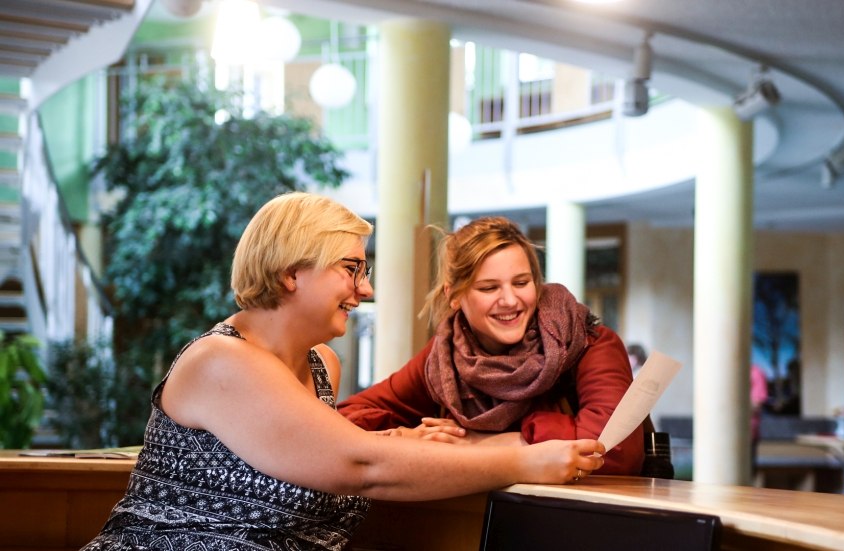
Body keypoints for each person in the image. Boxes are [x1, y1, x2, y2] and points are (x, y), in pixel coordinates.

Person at [82, 193, 603, 550]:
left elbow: (327, 453)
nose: (367, 289)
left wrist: (403, 439)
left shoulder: (321, 365)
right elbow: (363, 466)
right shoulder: (221, 362)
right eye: (352, 269)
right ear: (291, 273)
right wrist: (522, 462)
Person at [338, 216, 643, 475]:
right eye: (489, 287)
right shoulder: (444, 358)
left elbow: (614, 453)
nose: (510, 300)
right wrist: (406, 437)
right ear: (454, 296)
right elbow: (347, 419)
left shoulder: (589, 342)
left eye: (522, 283)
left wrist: (478, 444)